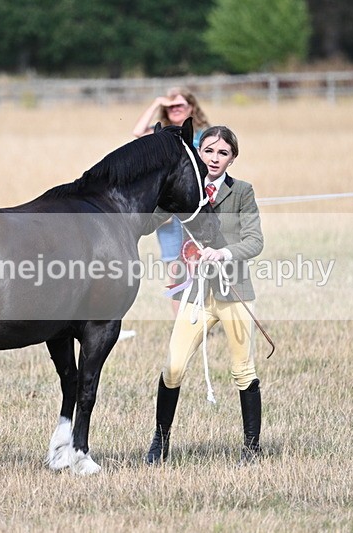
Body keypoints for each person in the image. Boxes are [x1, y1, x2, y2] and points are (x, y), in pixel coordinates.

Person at [144, 126, 264, 465]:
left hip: (233, 293)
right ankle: (160, 442)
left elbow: (255, 241)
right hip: (195, 294)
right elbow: (149, 221)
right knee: (174, 367)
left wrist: (223, 254)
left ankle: (251, 448)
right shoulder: (184, 189)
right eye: (209, 150)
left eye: (223, 153)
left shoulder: (242, 192)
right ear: (199, 153)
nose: (214, 158)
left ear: (232, 158)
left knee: (243, 370)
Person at [132, 87, 211, 312]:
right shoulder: (163, 136)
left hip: (197, 208)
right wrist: (158, 102)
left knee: (201, 263)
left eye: (180, 105)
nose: (175, 109)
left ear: (191, 107)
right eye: (171, 106)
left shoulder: (205, 134)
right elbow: (138, 132)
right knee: (175, 267)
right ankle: (182, 322)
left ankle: (204, 316)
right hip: (169, 211)